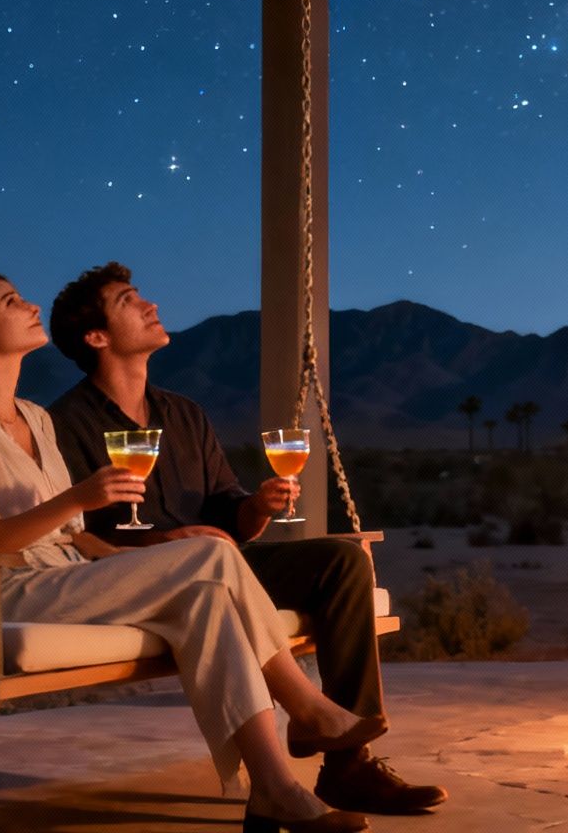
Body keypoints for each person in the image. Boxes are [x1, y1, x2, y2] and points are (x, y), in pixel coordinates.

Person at [0, 271, 378, 833]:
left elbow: (71, 534)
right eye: (10, 301)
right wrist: (84, 499)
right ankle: (308, 708)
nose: (28, 305)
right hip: (5, 589)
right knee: (212, 557)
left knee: (206, 601)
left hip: (64, 574)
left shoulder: (36, 418)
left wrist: (127, 556)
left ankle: (275, 789)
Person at [47, 263, 447, 817]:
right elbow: (78, 536)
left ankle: (347, 767)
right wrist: (172, 539)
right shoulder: (64, 425)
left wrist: (256, 507)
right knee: (215, 554)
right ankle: (329, 743)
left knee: (344, 559)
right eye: (128, 300)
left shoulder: (184, 414)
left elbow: (227, 512)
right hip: (148, 581)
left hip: (223, 559)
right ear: (97, 337)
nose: (150, 305)